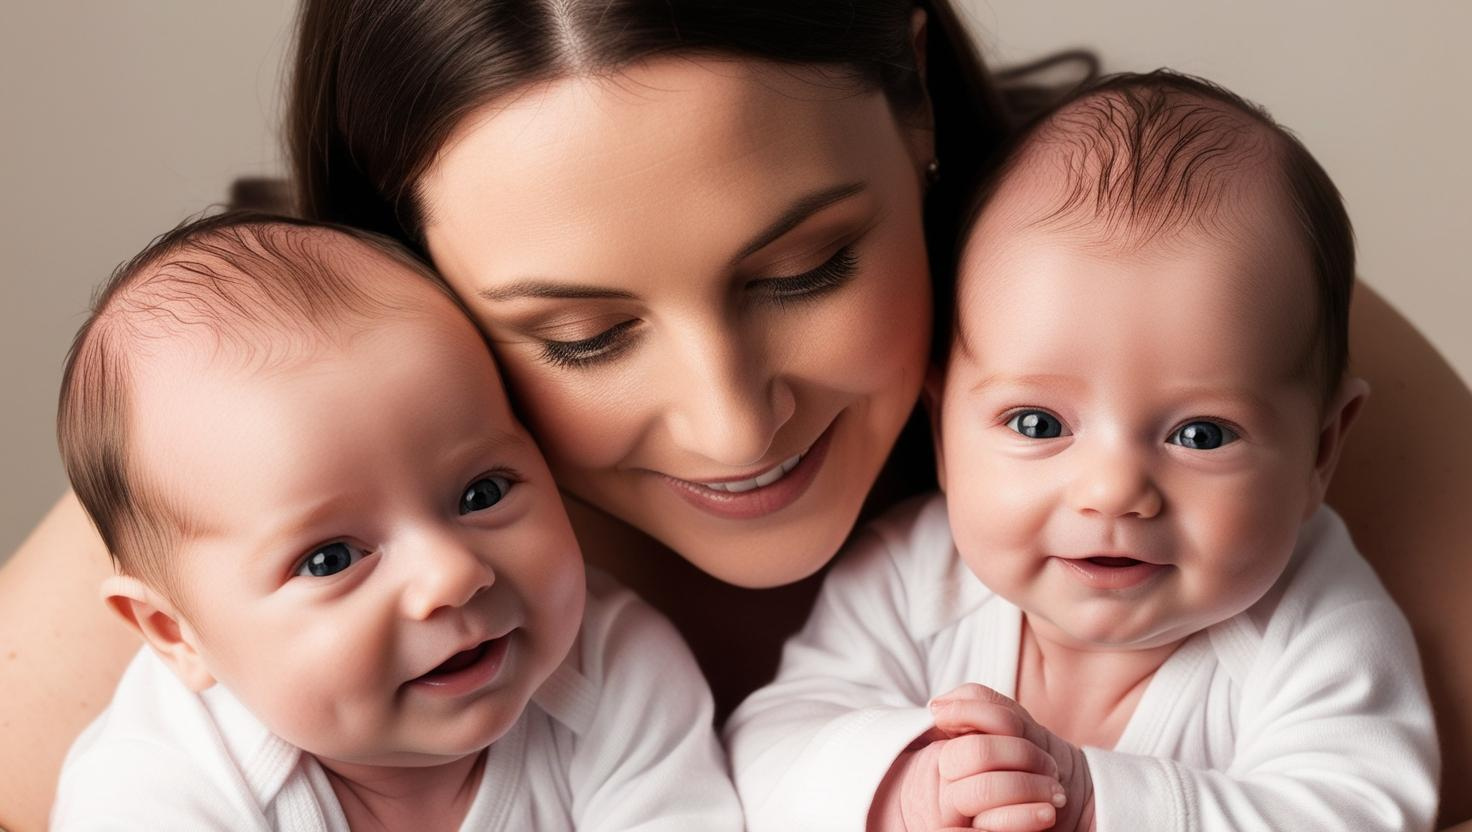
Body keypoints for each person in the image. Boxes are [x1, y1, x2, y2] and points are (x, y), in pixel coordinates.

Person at [1, 3, 1468, 829]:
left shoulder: (1209, 312)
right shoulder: (205, 521)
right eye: (582, 334)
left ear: (914, 119)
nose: (728, 424)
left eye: (807, 266)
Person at [725, 71, 1440, 832]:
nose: (1112, 490)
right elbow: (766, 749)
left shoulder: (1320, 628)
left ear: (1320, 451)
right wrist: (903, 786)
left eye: (1200, 435)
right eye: (1036, 424)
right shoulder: (908, 581)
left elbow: (1360, 811)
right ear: (942, 429)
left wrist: (1102, 803)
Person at [48, 213, 740, 831]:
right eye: (330, 559)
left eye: (482, 492)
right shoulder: (157, 784)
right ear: (177, 634)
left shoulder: (617, 671)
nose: (452, 574)